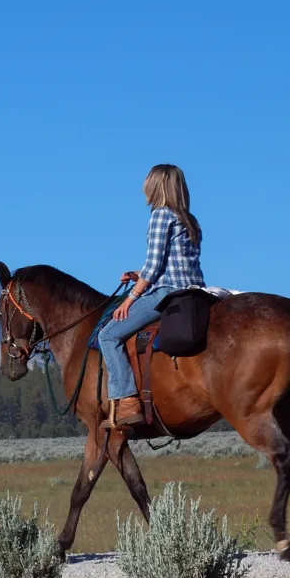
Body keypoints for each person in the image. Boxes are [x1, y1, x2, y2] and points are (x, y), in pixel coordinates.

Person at [98, 164, 204, 430]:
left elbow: (156, 264)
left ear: (156, 187)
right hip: (195, 290)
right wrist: (138, 273)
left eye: (147, 184)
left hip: (168, 292)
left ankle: (127, 400)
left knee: (108, 335)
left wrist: (130, 299)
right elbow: (172, 262)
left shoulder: (160, 216)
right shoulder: (189, 219)